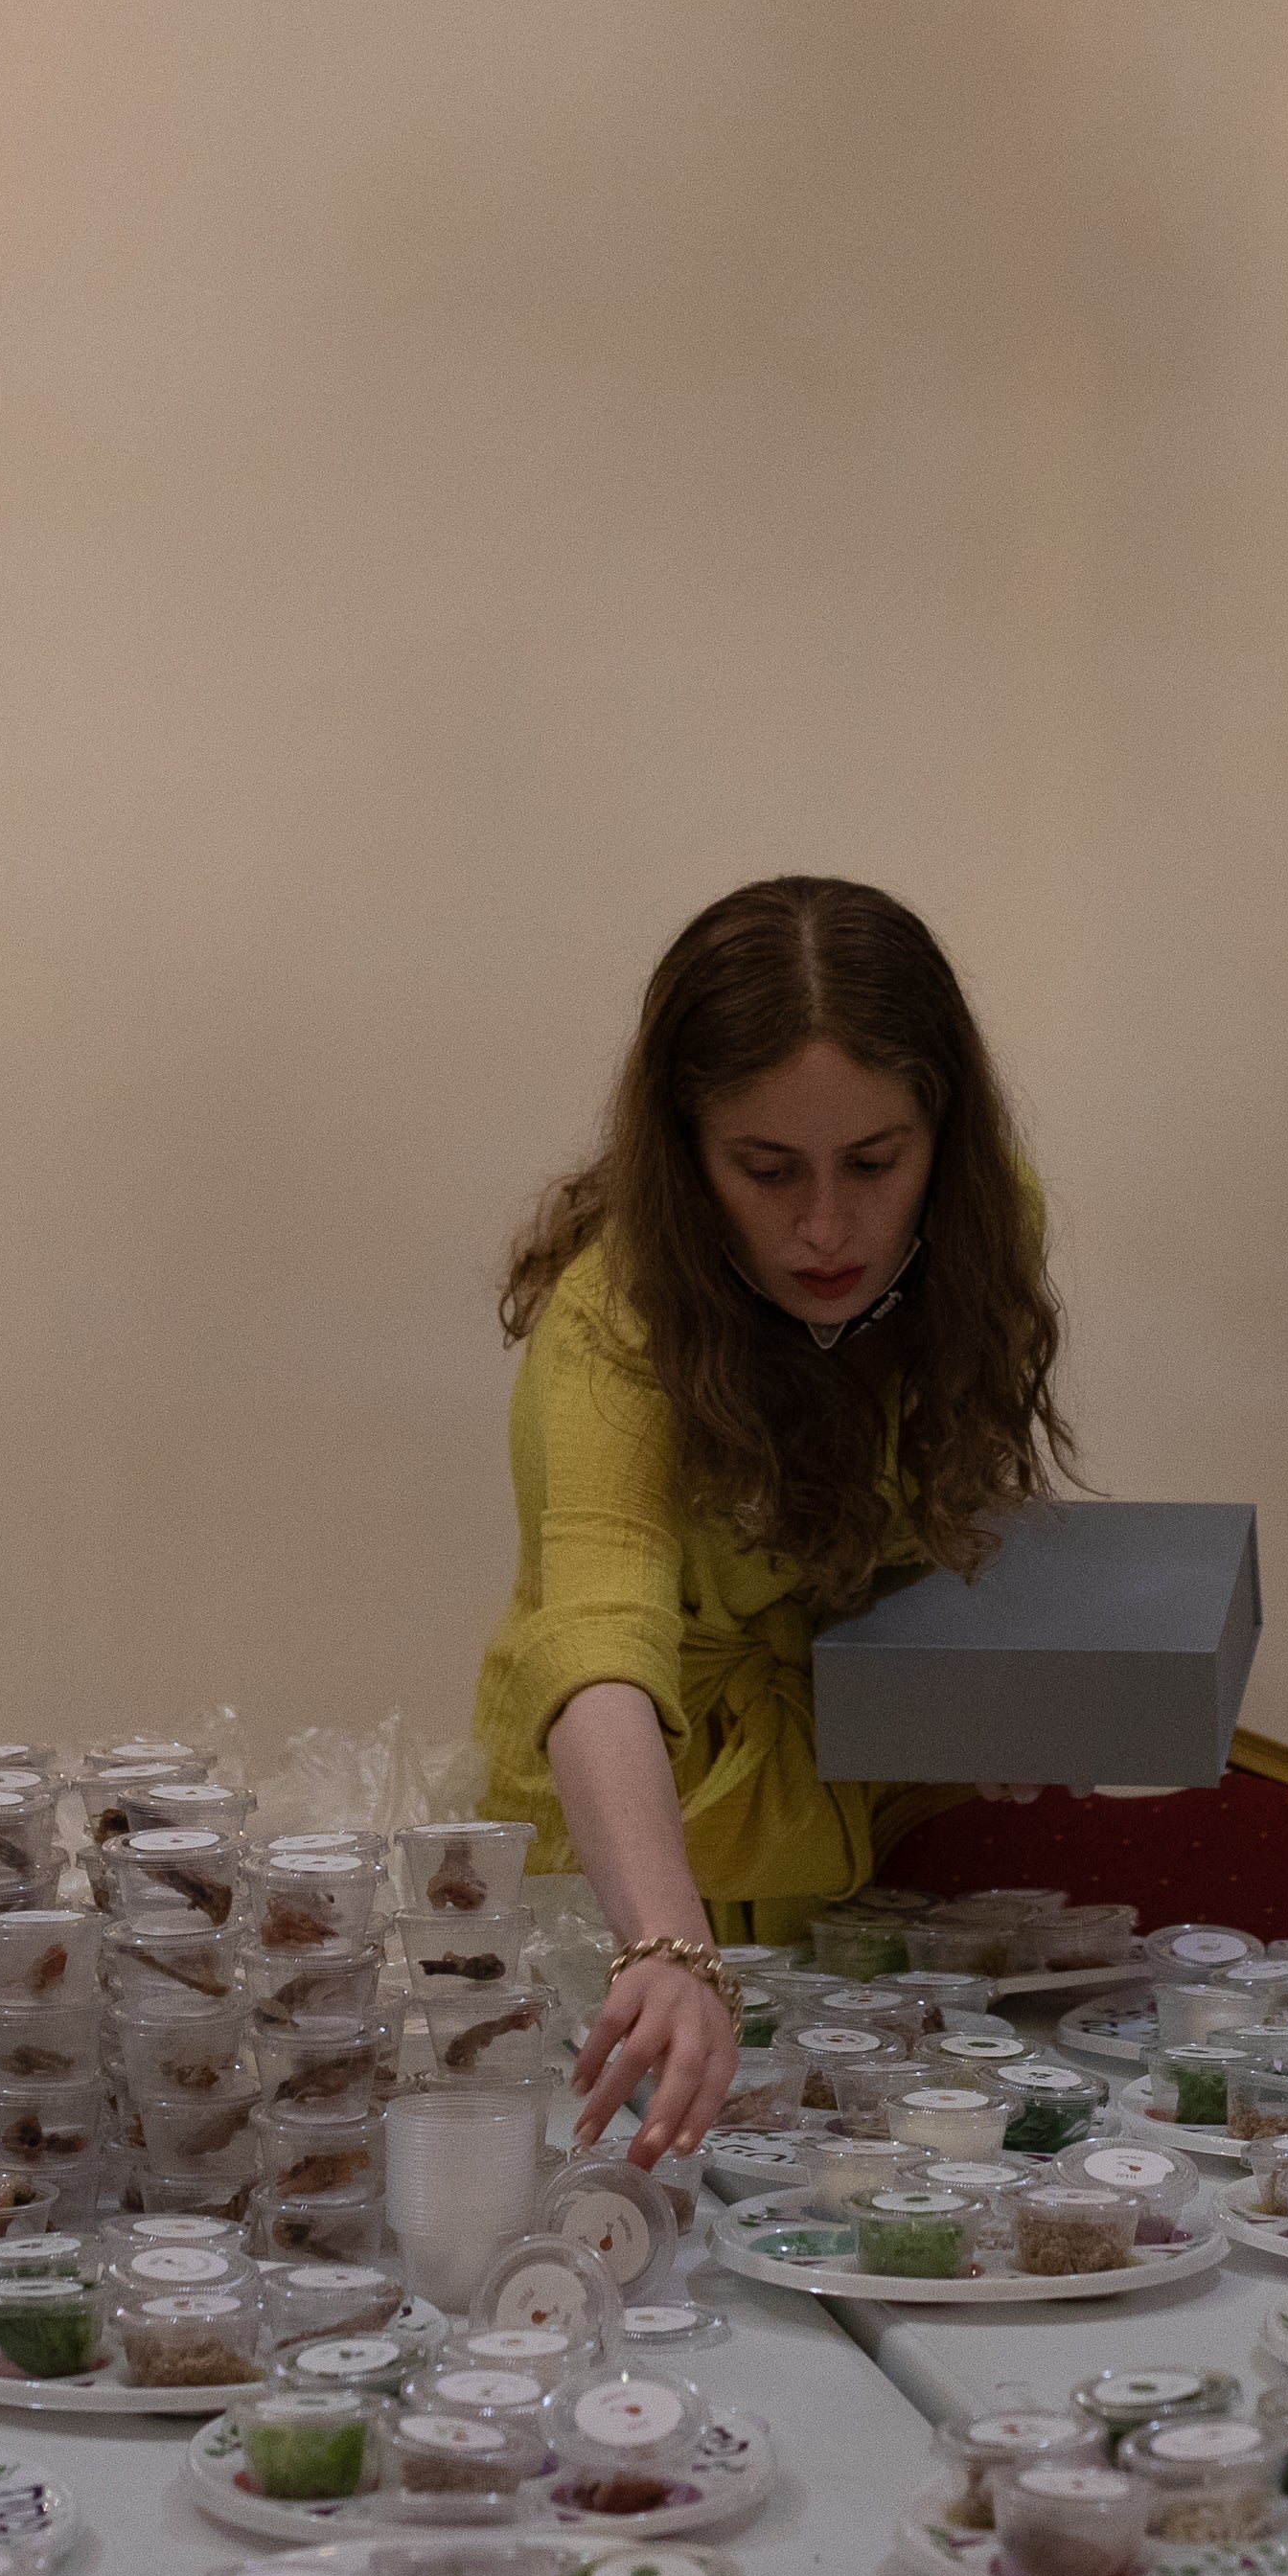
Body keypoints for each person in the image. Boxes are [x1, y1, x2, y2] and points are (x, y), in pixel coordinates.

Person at [472, 868, 1075, 2165]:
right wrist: (667, 1948)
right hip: (625, 1869)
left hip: (846, 1843)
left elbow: (945, 1506)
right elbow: (597, 1652)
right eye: (764, 1167)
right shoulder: (609, 1320)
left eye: (875, 1161)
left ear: (946, 1139)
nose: (823, 1226)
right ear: (685, 1154)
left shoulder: (986, 1226)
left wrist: (1005, 1686)